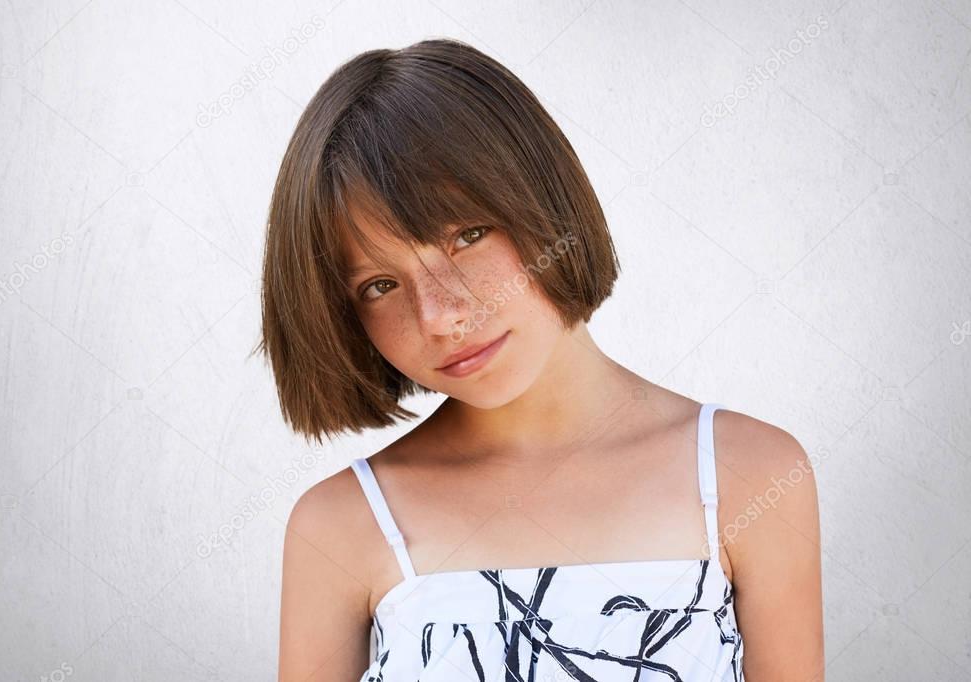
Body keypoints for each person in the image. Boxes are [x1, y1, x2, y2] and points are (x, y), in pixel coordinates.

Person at [259, 37, 824, 681]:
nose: (440, 315)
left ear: (544, 201)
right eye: (380, 286)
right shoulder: (339, 527)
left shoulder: (751, 477)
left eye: (466, 236)